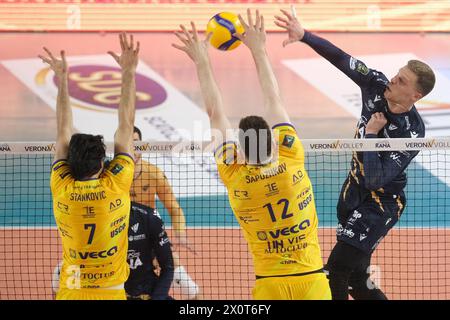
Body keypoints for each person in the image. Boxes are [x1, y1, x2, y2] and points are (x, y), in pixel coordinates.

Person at [275, 7, 436, 299]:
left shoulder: (411, 134)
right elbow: (341, 59)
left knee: (334, 271)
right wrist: (304, 36)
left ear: (415, 96)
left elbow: (375, 180)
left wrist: (371, 136)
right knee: (359, 280)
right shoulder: (375, 85)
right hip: (351, 194)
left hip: (381, 205)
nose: (392, 81)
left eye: (401, 81)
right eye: (397, 74)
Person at [173, 9, 331, 300]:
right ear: (273, 143)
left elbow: (214, 112)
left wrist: (202, 61)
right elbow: (274, 99)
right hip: (313, 281)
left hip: (270, 283)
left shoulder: (234, 173)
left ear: (241, 151)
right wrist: (258, 50)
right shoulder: (291, 155)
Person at [44, 33, 139, 300]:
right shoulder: (116, 182)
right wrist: (129, 72)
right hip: (110, 293)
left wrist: (61, 80)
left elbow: (62, 132)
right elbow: (125, 127)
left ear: (71, 162)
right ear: (102, 163)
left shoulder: (62, 186)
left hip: (70, 292)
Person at [128, 126, 200, 299]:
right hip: (118, 243)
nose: (132, 149)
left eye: (136, 144)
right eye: (127, 144)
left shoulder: (154, 175)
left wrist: (180, 234)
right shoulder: (109, 175)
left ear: (143, 146)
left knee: (192, 292)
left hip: (151, 241)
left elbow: (174, 209)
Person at [52, 201, 175, 300]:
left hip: (146, 291)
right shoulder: (89, 221)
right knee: (59, 272)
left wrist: (158, 298)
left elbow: (168, 267)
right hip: (108, 293)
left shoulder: (148, 217)